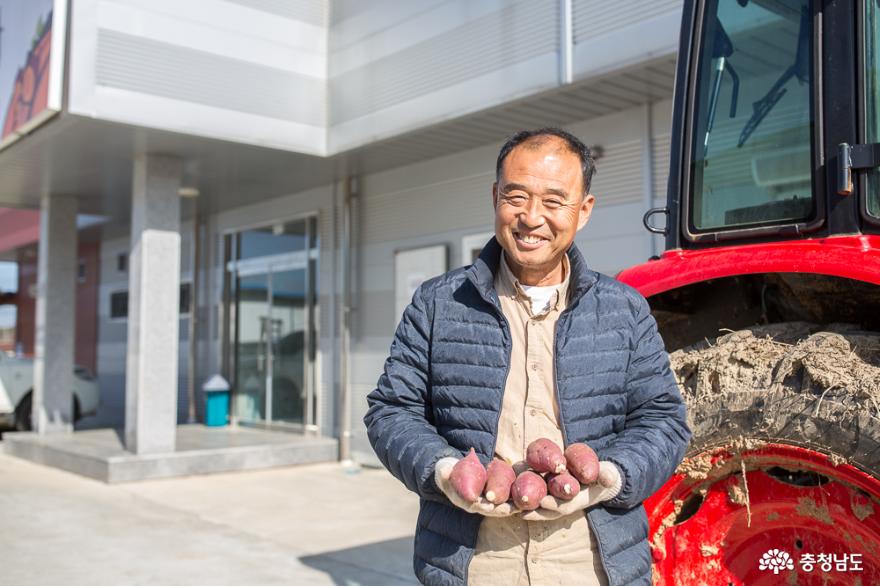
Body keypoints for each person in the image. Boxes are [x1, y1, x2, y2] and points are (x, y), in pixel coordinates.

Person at [364, 128, 691, 585]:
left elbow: (664, 419)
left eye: (554, 202)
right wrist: (444, 472)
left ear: (584, 210)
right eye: (515, 196)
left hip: (593, 562)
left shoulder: (624, 309)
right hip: (474, 563)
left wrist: (609, 478)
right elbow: (391, 411)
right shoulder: (438, 303)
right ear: (495, 196)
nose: (531, 217)